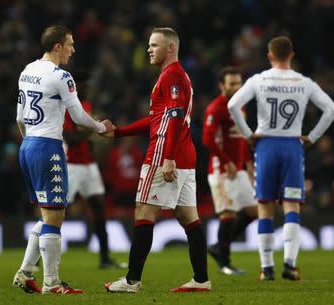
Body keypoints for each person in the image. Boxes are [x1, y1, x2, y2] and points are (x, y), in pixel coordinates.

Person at [103, 27, 210, 293]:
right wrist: (120, 132)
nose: (149, 49)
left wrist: (168, 157)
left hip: (165, 152)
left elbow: (173, 117)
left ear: (170, 47)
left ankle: (131, 281)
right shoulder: (176, 75)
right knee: (189, 217)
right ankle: (201, 279)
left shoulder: (172, 75)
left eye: (154, 45)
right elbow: (157, 119)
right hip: (185, 154)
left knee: (143, 210)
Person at [12, 25, 114, 294]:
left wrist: (29, 141)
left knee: (48, 214)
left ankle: (24, 272)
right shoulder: (62, 76)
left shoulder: (27, 70)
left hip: (28, 145)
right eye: (69, 44)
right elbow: (79, 117)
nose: (73, 49)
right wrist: (102, 128)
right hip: (48, 147)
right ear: (57, 46)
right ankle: (52, 283)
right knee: (55, 216)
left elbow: (20, 118)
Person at [227, 36, 334, 281]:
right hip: (292, 145)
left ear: (269, 56)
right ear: (292, 55)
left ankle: (267, 269)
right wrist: (312, 137)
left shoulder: (259, 80)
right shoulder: (304, 82)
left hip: (265, 144)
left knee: (265, 206)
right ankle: (290, 265)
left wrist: (248, 135)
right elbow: (332, 109)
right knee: (291, 206)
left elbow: (233, 105)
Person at [62, 81, 126, 269]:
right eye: (85, 87)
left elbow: (85, 139)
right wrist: (93, 127)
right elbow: (71, 139)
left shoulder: (87, 106)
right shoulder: (67, 109)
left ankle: (105, 258)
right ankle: (36, 259)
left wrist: (90, 142)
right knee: (56, 212)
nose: (89, 90)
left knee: (99, 209)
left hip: (88, 166)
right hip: (71, 166)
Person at [202, 67, 257, 275]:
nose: (236, 87)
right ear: (221, 85)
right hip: (221, 170)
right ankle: (225, 262)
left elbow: (241, 139)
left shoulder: (239, 106)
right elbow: (207, 140)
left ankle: (218, 247)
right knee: (228, 214)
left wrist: (248, 163)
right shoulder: (216, 108)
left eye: (238, 83)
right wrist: (226, 162)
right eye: (231, 83)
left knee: (254, 211)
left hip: (239, 168)